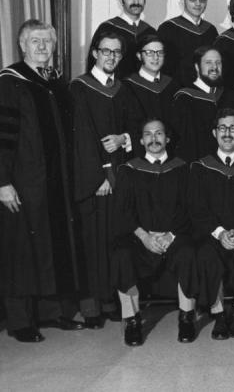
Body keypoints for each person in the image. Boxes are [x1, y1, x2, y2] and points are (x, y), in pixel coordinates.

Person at [0, 20, 84, 342]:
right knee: (22, 249)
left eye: (46, 42)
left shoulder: (57, 83)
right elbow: (3, 136)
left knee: (53, 245)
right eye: (34, 41)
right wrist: (2, 181)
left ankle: (52, 313)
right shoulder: (11, 81)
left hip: (56, 183)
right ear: (22, 45)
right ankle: (20, 321)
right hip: (24, 180)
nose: (41, 47)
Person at [71, 31, 142, 328]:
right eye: (106, 51)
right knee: (92, 242)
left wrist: (124, 137)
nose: (111, 56)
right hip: (96, 178)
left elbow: (136, 126)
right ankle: (91, 308)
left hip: (120, 175)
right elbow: (81, 137)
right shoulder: (80, 88)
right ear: (95, 54)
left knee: (115, 240)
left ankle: (113, 301)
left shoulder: (122, 89)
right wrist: (98, 176)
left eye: (116, 52)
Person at [112, 118, 198, 347]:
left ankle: (186, 317)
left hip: (175, 235)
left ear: (167, 138)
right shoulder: (128, 171)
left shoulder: (182, 168)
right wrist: (144, 237)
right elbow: (123, 212)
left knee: (188, 252)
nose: (154, 138)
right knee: (122, 255)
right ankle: (132, 320)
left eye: (159, 133)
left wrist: (171, 235)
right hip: (141, 238)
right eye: (148, 134)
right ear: (141, 140)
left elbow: (189, 208)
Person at [190, 109, 234, 340]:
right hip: (212, 233)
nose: (227, 133)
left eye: (233, 128)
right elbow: (198, 208)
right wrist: (221, 233)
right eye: (223, 128)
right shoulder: (201, 168)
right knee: (206, 253)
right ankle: (219, 314)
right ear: (214, 133)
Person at [171, 47, 234, 163]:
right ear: (197, 67)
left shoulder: (228, 96)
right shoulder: (184, 99)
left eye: (218, 63)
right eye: (208, 63)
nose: (214, 67)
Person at [89, 0, 157, 79]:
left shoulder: (150, 31)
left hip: (144, 89)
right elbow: (93, 63)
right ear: (121, 1)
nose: (136, 1)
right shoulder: (107, 28)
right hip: (114, 89)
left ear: (145, 0)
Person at [122, 35, 178, 156]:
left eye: (160, 52)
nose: (155, 57)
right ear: (139, 56)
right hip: (138, 155)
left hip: (170, 156)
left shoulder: (173, 85)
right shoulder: (127, 86)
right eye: (149, 52)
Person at [157, 0, 219, 86]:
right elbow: (162, 67)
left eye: (202, 0)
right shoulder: (167, 28)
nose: (198, 4)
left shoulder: (211, 30)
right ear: (182, 2)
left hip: (207, 91)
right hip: (177, 90)